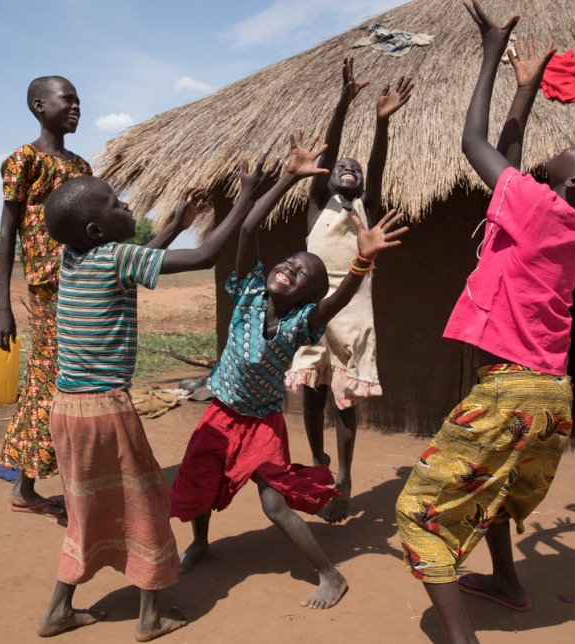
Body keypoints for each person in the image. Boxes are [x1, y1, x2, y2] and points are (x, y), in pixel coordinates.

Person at [394, 3, 575, 643]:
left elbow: (474, 145)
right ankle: (508, 583)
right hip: (550, 397)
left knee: (419, 513)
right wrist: (526, 88)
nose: (562, 149)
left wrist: (490, 51)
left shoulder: (538, 209)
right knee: (497, 491)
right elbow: (506, 163)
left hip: (510, 390)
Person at [34, 156, 280, 640]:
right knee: (147, 503)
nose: (124, 204)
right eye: (113, 203)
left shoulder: (76, 256)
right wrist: (246, 194)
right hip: (105, 409)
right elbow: (206, 256)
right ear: (95, 228)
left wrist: (174, 224)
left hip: (65, 409)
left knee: (85, 509)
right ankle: (150, 617)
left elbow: (133, 258)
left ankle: (58, 610)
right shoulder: (115, 257)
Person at [170, 131, 409, 609]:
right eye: (288, 262)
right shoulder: (249, 291)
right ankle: (200, 542)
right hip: (219, 411)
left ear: (306, 296)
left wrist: (361, 261)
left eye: (301, 273)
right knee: (200, 481)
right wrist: (284, 180)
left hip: (260, 424)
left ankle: (330, 575)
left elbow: (338, 299)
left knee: (274, 504)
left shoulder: (303, 324)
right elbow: (245, 231)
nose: (289, 268)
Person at [0, 76, 192, 517]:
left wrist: (171, 228)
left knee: (64, 381)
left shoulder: (81, 167)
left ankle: (63, 484)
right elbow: (8, 233)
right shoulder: (22, 161)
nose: (76, 106)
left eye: (79, 99)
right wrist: (3, 305)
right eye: (67, 99)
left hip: (87, 280)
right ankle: (51, 487)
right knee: (57, 378)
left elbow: (108, 244)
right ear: (38, 105)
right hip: (50, 286)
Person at [285, 58, 414, 523]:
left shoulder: (367, 208)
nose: (348, 168)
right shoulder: (317, 206)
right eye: (340, 166)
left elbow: (375, 166)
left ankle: (344, 476)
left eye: (353, 170)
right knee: (313, 396)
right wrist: (344, 101)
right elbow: (328, 150)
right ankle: (319, 463)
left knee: (343, 402)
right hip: (315, 308)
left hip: (355, 309)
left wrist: (381, 125)